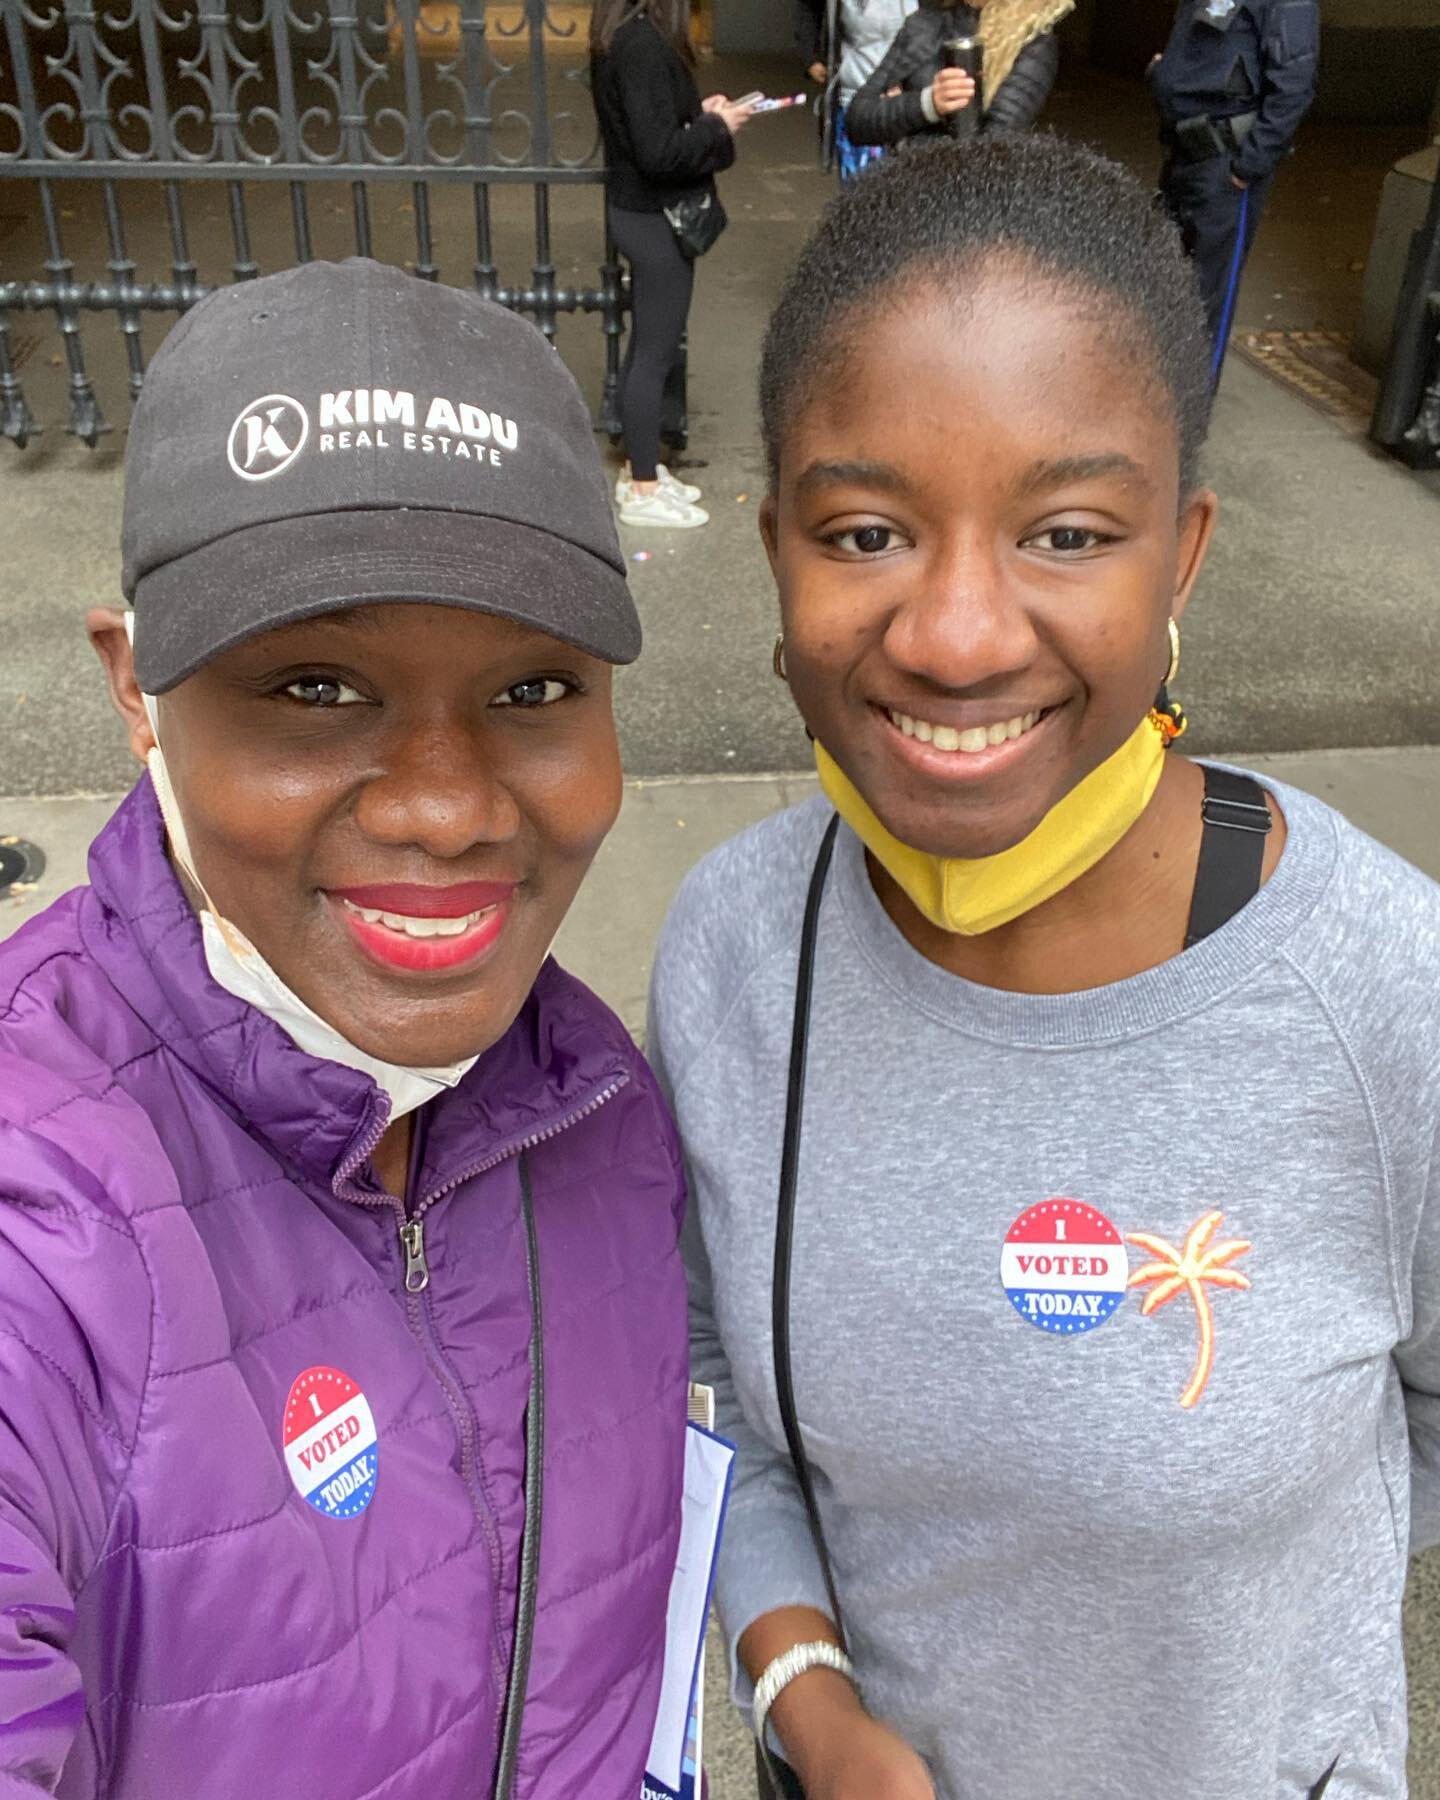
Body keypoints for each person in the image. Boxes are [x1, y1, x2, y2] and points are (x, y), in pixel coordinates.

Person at [649, 134, 1440, 1800]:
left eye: (1068, 534)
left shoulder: (1384, 986)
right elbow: (716, 1397)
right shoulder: (733, 951)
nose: (953, 632)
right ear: (775, 548)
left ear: (1187, 556)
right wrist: (807, 1702)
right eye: (864, 532)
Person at [0, 258, 691, 1798]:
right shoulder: (37, 1225)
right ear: (137, 687)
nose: (446, 808)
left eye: (533, 686)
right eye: (316, 684)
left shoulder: (592, 1107)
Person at [590, 0, 754, 530]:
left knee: (649, 347)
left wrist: (702, 116)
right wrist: (717, 128)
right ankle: (642, 486)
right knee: (654, 353)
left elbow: (652, 128)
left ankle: (646, 469)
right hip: (653, 219)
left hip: (640, 214)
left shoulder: (625, 35)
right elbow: (658, 153)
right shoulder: (642, 43)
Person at [1149, 0, 1320, 382]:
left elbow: (1294, 84)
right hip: (1183, 154)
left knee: (1207, 295)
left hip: (1225, 163)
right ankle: (1158, 401)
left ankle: (1189, 414)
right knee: (1164, 282)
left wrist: (1248, 167)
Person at [845, 0, 1071, 149]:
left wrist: (900, 114)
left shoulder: (1033, 41)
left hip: (969, 206)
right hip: (905, 190)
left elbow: (991, 147)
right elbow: (858, 121)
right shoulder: (925, 23)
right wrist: (928, 103)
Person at [793, 0, 920, 181]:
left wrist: (907, 80)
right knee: (860, 190)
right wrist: (810, 57)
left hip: (911, 107)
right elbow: (808, 8)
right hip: (856, 102)